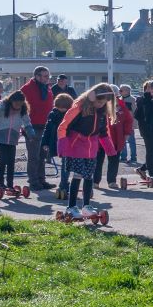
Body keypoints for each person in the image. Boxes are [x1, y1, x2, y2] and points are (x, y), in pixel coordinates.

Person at [57, 83, 116, 220]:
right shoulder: (79, 107)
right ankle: (71, 206)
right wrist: (62, 147)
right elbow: (63, 127)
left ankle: (86, 206)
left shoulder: (101, 112)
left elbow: (103, 132)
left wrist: (110, 150)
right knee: (78, 175)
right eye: (100, 101)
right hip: (76, 146)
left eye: (104, 102)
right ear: (92, 97)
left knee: (89, 176)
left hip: (91, 148)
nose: (101, 104)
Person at [0, 92, 34, 192]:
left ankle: (10, 184)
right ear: (11, 101)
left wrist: (31, 134)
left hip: (13, 137)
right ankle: (0, 182)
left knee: (11, 161)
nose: (18, 106)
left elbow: (27, 122)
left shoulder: (22, 109)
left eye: (20, 104)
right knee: (3, 159)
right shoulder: (0, 107)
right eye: (16, 104)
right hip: (0, 136)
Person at [20, 67, 56, 191]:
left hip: (45, 126)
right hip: (32, 126)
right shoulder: (26, 89)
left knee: (43, 155)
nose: (47, 79)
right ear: (37, 76)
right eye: (45, 76)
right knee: (34, 156)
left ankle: (41, 179)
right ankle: (33, 181)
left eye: (48, 76)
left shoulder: (47, 88)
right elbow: (22, 109)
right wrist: (26, 126)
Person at [104, 85, 135, 187]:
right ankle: (95, 181)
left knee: (114, 159)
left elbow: (128, 121)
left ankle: (111, 181)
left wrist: (126, 133)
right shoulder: (100, 104)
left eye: (115, 94)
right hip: (101, 136)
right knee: (98, 160)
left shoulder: (121, 105)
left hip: (116, 138)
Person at [41, 93, 74, 180]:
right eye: (58, 107)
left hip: (69, 142)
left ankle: (64, 184)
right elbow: (47, 130)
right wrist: (45, 143)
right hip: (57, 141)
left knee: (67, 164)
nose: (60, 109)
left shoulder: (72, 115)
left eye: (62, 108)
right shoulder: (52, 114)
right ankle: (63, 184)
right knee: (65, 164)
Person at [118, 84, 139, 164]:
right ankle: (123, 156)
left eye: (121, 90)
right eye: (120, 90)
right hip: (121, 124)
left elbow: (135, 113)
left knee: (131, 141)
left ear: (127, 91)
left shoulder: (133, 100)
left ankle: (133, 157)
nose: (120, 91)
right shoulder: (119, 99)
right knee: (122, 141)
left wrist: (134, 124)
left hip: (129, 124)